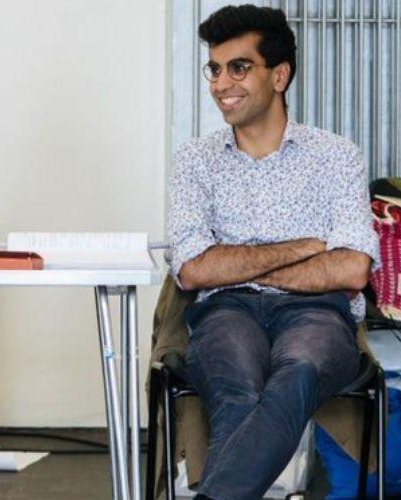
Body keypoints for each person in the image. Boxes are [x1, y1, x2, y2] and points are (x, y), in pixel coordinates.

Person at [167, 5, 380, 499]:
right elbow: (195, 270)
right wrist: (305, 249)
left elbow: (352, 267)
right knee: (236, 389)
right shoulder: (194, 161)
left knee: (299, 370)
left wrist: (241, 264)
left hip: (318, 315)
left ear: (279, 75)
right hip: (227, 311)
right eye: (214, 69)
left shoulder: (336, 155)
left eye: (238, 67)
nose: (221, 83)